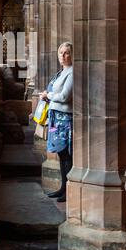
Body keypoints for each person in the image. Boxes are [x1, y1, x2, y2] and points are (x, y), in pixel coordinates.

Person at [39, 42, 73, 203]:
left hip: (64, 118)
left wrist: (49, 95)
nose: (63, 55)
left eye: (66, 53)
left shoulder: (72, 72)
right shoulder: (61, 72)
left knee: (66, 153)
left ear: (72, 55)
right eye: (61, 52)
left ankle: (68, 190)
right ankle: (62, 187)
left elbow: (65, 96)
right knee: (60, 153)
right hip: (55, 117)